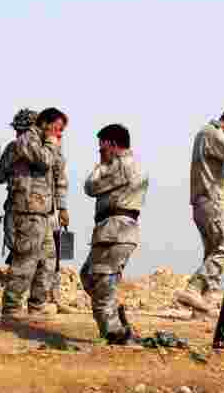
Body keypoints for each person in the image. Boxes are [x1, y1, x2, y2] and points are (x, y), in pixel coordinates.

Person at [0, 107, 69, 318]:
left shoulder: (49, 146)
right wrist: (14, 161)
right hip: (26, 211)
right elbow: (0, 175)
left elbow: (58, 175)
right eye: (56, 128)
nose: (59, 134)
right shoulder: (27, 142)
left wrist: (62, 207)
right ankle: (12, 308)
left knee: (48, 260)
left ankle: (37, 305)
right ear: (44, 124)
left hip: (45, 213)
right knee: (26, 259)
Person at [174, 107, 224, 316]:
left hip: (204, 202)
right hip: (211, 202)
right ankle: (194, 288)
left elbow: (209, 170)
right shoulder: (212, 133)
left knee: (212, 253)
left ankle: (202, 306)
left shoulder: (204, 135)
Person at [80, 123, 147, 344]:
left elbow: (90, 187)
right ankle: (116, 321)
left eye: (102, 147)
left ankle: (115, 335)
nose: (100, 152)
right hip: (116, 231)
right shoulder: (131, 164)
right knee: (89, 276)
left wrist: (101, 163)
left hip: (115, 231)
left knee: (101, 280)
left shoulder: (120, 165)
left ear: (112, 144)